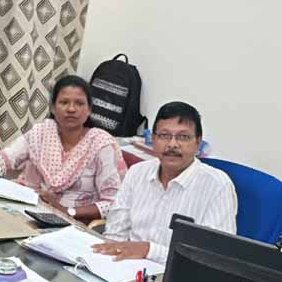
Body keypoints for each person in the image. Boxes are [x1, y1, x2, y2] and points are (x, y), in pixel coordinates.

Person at [0, 75, 126, 222]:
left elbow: (112, 203)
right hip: (28, 211)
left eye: (79, 103)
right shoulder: (42, 132)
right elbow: (5, 158)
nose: (71, 109)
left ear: (89, 110)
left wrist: (67, 211)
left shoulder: (101, 144)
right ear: (52, 107)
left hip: (72, 223)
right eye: (64, 102)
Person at [93, 101, 237, 263]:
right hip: (127, 266)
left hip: (180, 273)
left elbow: (214, 257)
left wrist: (150, 250)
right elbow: (115, 234)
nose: (172, 144)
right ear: (153, 139)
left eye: (183, 137)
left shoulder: (217, 185)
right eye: (164, 135)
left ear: (198, 142)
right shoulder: (137, 172)